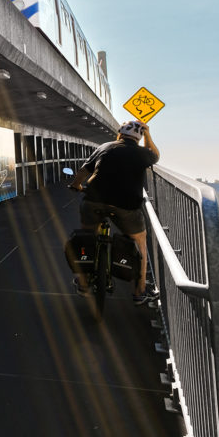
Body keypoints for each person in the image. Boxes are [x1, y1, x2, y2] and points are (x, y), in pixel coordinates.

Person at [69, 119, 160, 304]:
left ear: (119, 134)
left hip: (94, 200)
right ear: (139, 138)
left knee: (88, 235)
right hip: (126, 206)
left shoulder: (105, 147)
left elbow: (84, 170)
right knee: (140, 242)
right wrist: (148, 134)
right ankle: (140, 292)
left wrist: (76, 185)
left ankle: (84, 282)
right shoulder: (143, 153)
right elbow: (155, 155)